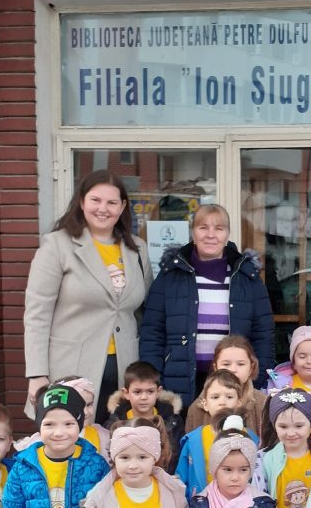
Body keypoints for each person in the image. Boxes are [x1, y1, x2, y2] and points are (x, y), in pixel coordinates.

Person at [24, 169, 151, 423]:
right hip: (70, 367)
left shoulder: (137, 249)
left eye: (112, 202)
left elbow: (143, 310)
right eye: (96, 200)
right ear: (82, 202)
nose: (103, 208)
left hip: (124, 369)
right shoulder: (57, 245)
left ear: (122, 207)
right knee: (70, 437)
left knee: (119, 438)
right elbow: (37, 314)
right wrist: (37, 374)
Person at [139, 203, 274, 407]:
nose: (211, 235)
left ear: (227, 234)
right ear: (193, 233)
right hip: (179, 383)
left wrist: (257, 379)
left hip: (234, 384)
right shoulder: (170, 277)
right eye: (203, 227)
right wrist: (153, 379)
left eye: (219, 228)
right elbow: (152, 333)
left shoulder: (247, 278)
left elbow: (263, 335)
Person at [175, 371, 257, 502]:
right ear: (205, 404)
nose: (222, 402)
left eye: (229, 397)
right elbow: (181, 480)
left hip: (241, 506)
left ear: (239, 402)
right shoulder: (194, 440)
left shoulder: (250, 438)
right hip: (202, 507)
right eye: (215, 397)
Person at [105, 361, 184, 466]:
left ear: (158, 392)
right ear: (126, 393)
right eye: (137, 392)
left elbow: (178, 455)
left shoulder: (172, 421)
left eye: (150, 391)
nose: (144, 397)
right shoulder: (115, 423)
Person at [186, 336, 266, 435]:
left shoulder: (263, 403)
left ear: (251, 367)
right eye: (226, 364)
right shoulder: (197, 408)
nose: (233, 369)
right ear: (216, 367)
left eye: (241, 364)